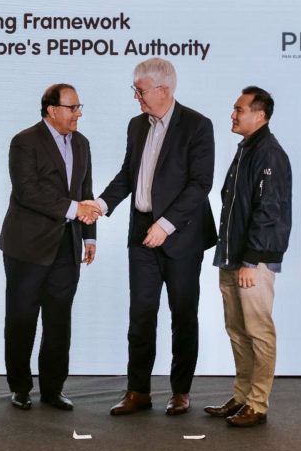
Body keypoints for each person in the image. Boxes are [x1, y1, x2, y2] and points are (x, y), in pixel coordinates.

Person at [92, 58, 216, 417]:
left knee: (183, 315)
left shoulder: (197, 125)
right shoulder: (136, 125)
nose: (137, 97)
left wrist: (165, 224)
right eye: (135, 90)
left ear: (163, 89)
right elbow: (128, 175)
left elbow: (200, 184)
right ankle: (138, 391)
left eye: (141, 91)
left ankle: (180, 391)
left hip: (181, 236)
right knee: (141, 315)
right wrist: (101, 204)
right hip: (142, 234)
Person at [0, 83, 98, 411]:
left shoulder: (82, 143)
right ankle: (20, 387)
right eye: (73, 107)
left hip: (67, 247)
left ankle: (53, 389)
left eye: (79, 107)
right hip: (27, 247)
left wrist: (89, 236)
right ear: (52, 110)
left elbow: (85, 192)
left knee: (59, 322)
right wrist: (74, 209)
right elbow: (27, 191)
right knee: (22, 319)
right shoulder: (25, 141)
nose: (78, 113)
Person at [204, 86, 292, 428]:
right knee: (237, 330)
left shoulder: (269, 154)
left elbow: (268, 210)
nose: (233, 114)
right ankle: (241, 397)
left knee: (258, 331)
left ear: (260, 115)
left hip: (252, 261)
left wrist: (252, 260)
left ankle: (257, 404)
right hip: (233, 256)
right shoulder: (247, 149)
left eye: (239, 109)